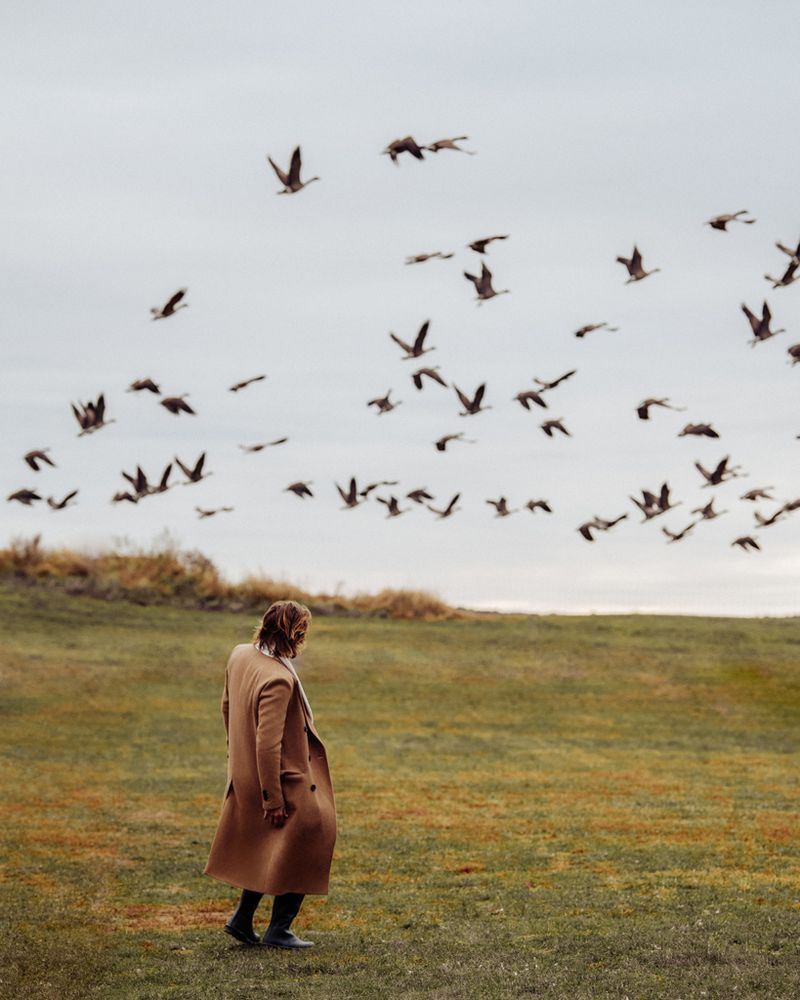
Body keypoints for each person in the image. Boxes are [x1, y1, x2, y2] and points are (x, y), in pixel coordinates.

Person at [203, 599, 336, 948]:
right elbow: (268, 743)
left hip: (245, 773)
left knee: (272, 845)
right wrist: (272, 798)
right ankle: (280, 929)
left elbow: (226, 707)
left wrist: (237, 755)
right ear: (296, 633)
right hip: (281, 778)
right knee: (311, 836)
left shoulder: (240, 654)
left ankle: (242, 919)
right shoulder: (278, 678)